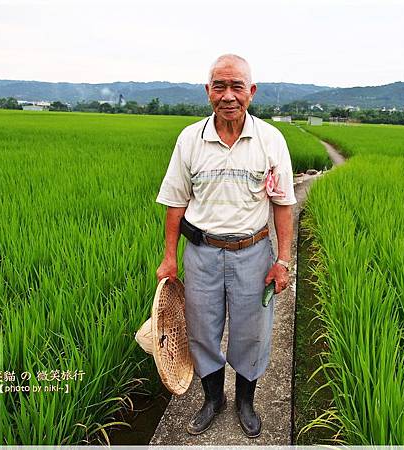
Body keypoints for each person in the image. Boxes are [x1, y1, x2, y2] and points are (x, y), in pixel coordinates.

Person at [155, 54, 296, 438]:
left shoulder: (270, 140)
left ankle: (245, 402)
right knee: (202, 330)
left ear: (251, 92)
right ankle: (213, 399)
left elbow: (283, 204)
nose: (228, 95)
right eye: (220, 86)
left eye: (237, 86)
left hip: (254, 252)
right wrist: (170, 257)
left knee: (252, 332)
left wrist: (283, 261)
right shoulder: (190, 139)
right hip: (201, 253)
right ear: (208, 92)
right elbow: (176, 202)